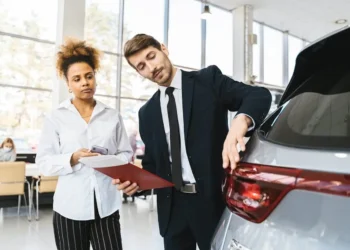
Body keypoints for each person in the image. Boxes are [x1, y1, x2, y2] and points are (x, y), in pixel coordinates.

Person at [115, 34, 272, 250]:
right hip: (172, 210)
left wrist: (240, 122)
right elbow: (154, 165)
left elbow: (259, 95)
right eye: (141, 66)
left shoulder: (208, 81)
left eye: (151, 56)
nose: (151, 68)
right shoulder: (147, 113)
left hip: (211, 202)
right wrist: (137, 184)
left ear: (164, 49)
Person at [36, 38, 133, 250]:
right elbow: (43, 162)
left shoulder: (112, 116)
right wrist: (72, 157)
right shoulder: (56, 118)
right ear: (68, 84)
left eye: (89, 76)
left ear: (95, 78)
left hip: (106, 206)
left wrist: (110, 162)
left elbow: (126, 153)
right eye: (77, 79)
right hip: (69, 208)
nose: (85, 83)